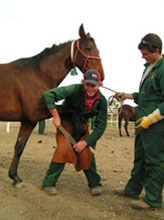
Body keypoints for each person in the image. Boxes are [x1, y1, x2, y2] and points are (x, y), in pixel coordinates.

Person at [114, 33, 164, 210]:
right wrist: (126, 95)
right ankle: (132, 190)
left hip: (156, 126)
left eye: (145, 53)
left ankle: (153, 200)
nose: (142, 56)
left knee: (154, 161)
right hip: (142, 124)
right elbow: (145, 96)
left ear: (156, 50)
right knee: (140, 158)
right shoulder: (149, 67)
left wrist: (150, 120)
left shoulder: (163, 69)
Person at [41, 69, 108, 196]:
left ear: (99, 85)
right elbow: (48, 95)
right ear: (83, 83)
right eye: (87, 84)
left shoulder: (102, 102)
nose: (90, 88)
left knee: (86, 152)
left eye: (93, 85)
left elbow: (101, 126)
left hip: (81, 125)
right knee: (63, 150)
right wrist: (56, 116)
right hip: (66, 122)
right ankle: (48, 183)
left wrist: (85, 142)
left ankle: (95, 183)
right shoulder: (73, 89)